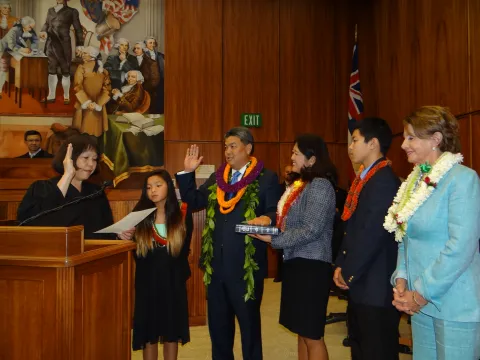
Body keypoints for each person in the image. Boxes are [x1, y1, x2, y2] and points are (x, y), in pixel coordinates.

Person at [175, 127, 281, 360]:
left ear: (248, 148)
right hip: (216, 268)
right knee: (219, 330)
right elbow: (193, 201)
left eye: (233, 146)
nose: (227, 152)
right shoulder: (217, 178)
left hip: (245, 268)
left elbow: (276, 211)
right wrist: (187, 172)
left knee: (249, 328)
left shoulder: (266, 178)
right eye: (225, 147)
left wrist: (268, 218)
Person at [385, 106, 480, 360]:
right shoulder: (414, 183)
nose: (404, 144)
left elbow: (461, 246)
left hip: (452, 303)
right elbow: (405, 237)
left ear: (436, 139)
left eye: (411, 137)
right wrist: (402, 279)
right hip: (419, 304)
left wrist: (421, 293)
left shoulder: (462, 179)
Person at [252, 134, 337, 360]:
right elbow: (290, 223)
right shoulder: (302, 185)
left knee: (312, 334)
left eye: (296, 153)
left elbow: (312, 229)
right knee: (301, 330)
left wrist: (274, 240)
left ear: (311, 159)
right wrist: (271, 232)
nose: (291, 157)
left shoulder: (320, 185)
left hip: (311, 266)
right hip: (296, 263)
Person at [334, 117, 401, 360]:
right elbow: (350, 226)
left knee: (376, 350)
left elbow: (371, 234)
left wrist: (348, 271)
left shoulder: (383, 181)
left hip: (375, 285)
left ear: (373, 144)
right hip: (361, 280)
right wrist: (341, 263)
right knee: (360, 347)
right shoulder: (365, 178)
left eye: (355, 140)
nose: (350, 147)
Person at [17, 134, 134, 240]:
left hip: (92, 257)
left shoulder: (96, 192)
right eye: (85, 158)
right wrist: (68, 175)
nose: (91, 164)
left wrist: (117, 234)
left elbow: (103, 230)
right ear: (69, 159)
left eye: (94, 159)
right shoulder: (42, 188)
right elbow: (31, 222)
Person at [132, 170, 192, 360]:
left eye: (158, 185)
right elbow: (136, 252)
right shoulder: (139, 215)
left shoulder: (181, 213)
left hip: (172, 280)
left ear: (169, 186)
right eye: (148, 187)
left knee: (170, 330)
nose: (153, 191)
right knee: (149, 332)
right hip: (147, 281)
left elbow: (184, 249)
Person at [39, 0, 84, 105]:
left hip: (64, 45)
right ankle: (51, 95)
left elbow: (78, 29)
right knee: (51, 70)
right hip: (51, 44)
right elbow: (46, 24)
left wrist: (80, 44)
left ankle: (66, 95)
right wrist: (43, 31)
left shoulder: (72, 11)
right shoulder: (50, 10)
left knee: (65, 71)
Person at [72, 46, 111, 137]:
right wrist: (98, 104)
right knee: (96, 133)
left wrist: (87, 102)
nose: (83, 55)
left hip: (84, 105)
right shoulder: (104, 71)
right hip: (97, 106)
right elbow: (107, 90)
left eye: (85, 53)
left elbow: (78, 86)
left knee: (82, 134)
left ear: (91, 55)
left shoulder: (81, 68)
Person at [0, 16, 38, 96]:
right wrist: (23, 49)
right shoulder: (14, 30)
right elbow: (12, 45)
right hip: (3, 49)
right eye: (30, 27)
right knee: (2, 69)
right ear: (24, 25)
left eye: (32, 27)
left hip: (15, 51)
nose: (31, 29)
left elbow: (35, 40)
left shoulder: (30, 30)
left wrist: (32, 49)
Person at [274, 164, 297, 282]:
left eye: (290, 172)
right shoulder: (278, 187)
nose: (288, 174)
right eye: (286, 172)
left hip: (292, 224)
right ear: (283, 173)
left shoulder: (298, 187)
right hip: (280, 222)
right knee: (279, 249)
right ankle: (280, 274)